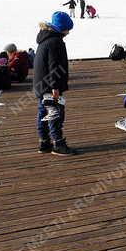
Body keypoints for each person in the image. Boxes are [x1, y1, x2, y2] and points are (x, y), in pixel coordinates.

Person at [33, 11, 76, 156]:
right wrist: (55, 87)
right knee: (55, 113)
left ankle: (44, 142)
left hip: (41, 84)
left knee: (43, 112)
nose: (68, 32)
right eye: (67, 29)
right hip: (49, 86)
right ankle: (58, 144)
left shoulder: (45, 38)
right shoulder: (55, 42)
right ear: (61, 28)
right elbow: (54, 66)